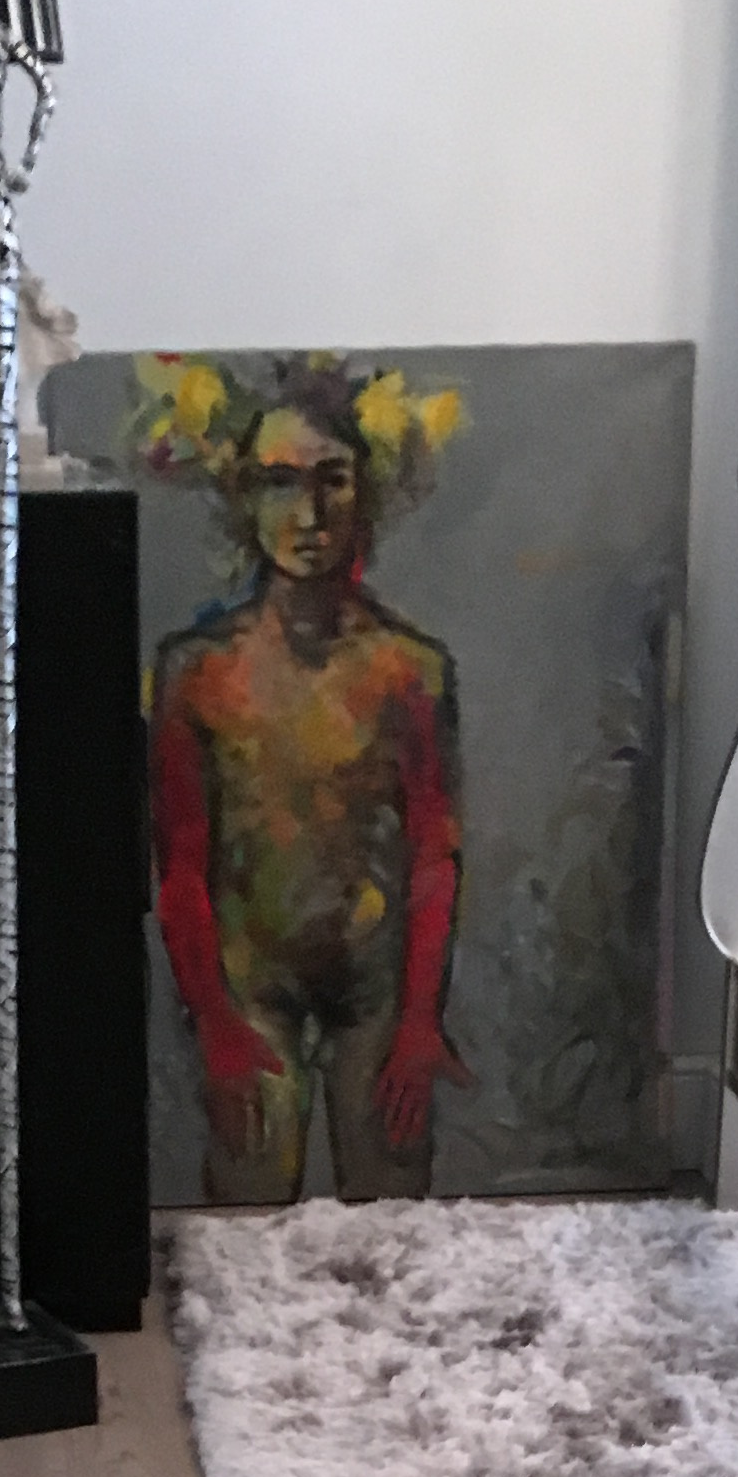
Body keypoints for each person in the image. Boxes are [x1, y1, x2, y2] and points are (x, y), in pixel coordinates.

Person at [142, 359, 469, 1204]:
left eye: (333, 481)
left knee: (393, 1222)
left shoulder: (410, 671)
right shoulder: (195, 673)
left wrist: (420, 1020)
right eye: (279, 483)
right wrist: (215, 1020)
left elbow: (434, 853)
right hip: (249, 981)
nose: (309, 515)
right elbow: (180, 867)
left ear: (369, 493)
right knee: (248, 1218)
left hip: (377, 982)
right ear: (242, 497)